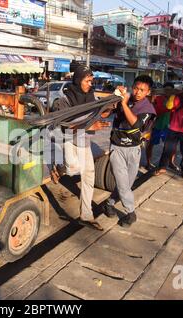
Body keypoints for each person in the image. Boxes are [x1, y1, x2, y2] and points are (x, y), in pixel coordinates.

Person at [51, 65, 110, 230]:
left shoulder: (90, 96)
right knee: (73, 169)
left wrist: (113, 104)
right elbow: (67, 127)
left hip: (84, 141)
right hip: (68, 139)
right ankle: (60, 168)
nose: (90, 84)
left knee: (88, 175)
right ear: (78, 80)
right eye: (87, 81)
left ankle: (86, 215)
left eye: (92, 81)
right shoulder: (65, 100)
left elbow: (99, 112)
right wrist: (90, 126)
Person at [102, 75, 156, 227]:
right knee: (122, 183)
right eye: (136, 88)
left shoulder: (147, 109)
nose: (138, 92)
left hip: (134, 149)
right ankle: (131, 213)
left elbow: (135, 124)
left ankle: (109, 203)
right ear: (132, 87)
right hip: (117, 147)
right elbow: (104, 114)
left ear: (148, 92)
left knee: (126, 184)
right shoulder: (124, 99)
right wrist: (113, 100)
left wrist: (124, 104)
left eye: (142, 90)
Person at [145, 82, 178, 170]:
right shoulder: (158, 98)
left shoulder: (175, 99)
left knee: (172, 146)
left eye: (170, 90)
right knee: (150, 145)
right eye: (166, 90)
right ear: (163, 90)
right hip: (156, 125)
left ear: (173, 91)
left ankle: (171, 162)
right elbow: (154, 111)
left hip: (169, 126)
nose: (167, 92)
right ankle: (148, 163)